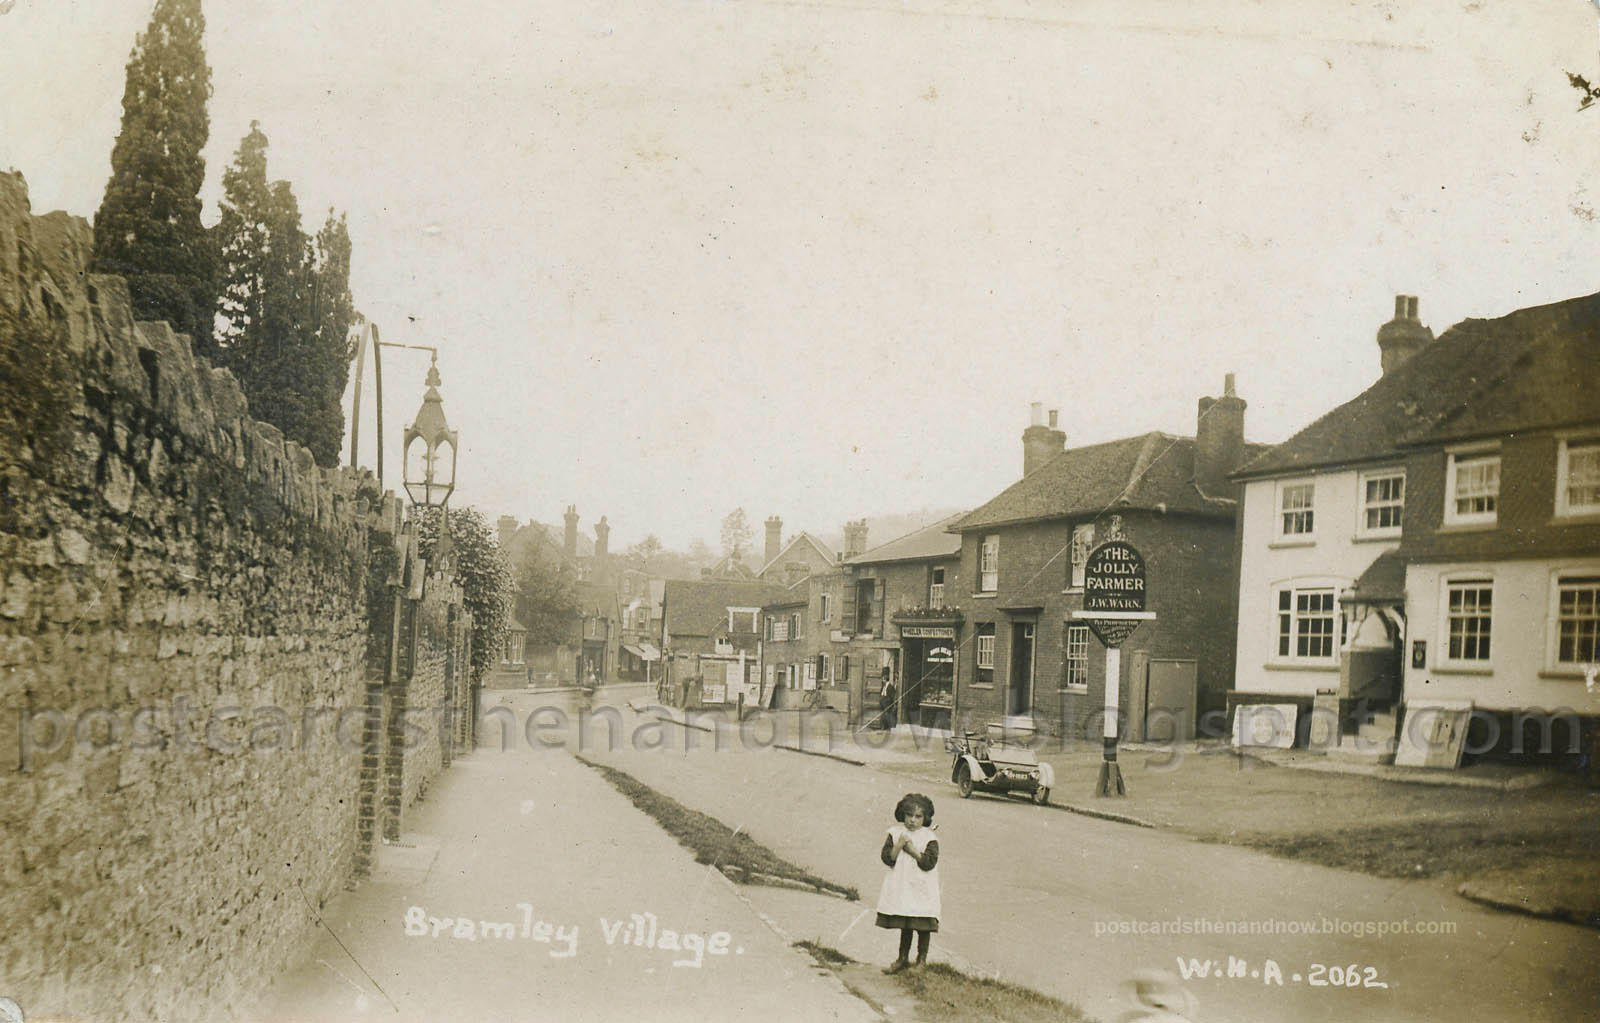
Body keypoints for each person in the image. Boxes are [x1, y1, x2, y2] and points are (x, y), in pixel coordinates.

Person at [875, 792, 939, 974]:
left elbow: (928, 863)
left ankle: (921, 960)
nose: (912, 820)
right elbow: (888, 858)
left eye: (918, 816)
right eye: (909, 815)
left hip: (922, 887)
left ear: (925, 818)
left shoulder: (929, 837)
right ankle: (902, 958)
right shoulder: (895, 833)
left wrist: (912, 850)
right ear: (902, 815)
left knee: (922, 923)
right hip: (902, 884)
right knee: (906, 921)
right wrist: (899, 845)